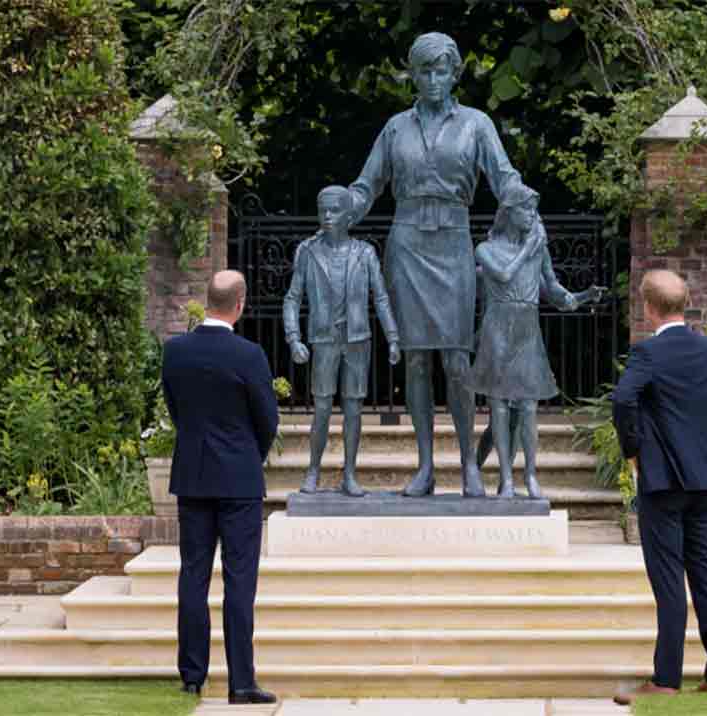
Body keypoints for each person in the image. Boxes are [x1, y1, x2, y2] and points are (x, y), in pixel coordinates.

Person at [347, 32, 523, 498]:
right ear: (413, 74)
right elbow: (368, 185)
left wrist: (525, 205)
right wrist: (345, 205)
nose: (431, 79)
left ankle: (468, 463)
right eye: (423, 70)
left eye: (440, 70)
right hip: (406, 246)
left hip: (453, 243)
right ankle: (425, 467)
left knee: (457, 360)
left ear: (454, 73)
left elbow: (504, 178)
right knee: (417, 361)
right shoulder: (395, 128)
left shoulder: (476, 125)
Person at [610, 270, 707, 705]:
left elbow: (623, 400)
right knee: (705, 572)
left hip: (662, 484)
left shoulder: (648, 354)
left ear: (648, 308)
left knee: (668, 579)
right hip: (704, 482)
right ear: (685, 303)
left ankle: (665, 678)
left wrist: (633, 450)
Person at [161, 270, 279, 705]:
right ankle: (241, 682)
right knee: (239, 579)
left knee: (193, 575)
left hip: (193, 475)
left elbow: (176, 410)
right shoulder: (249, 355)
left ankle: (192, 674)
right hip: (239, 480)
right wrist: (250, 454)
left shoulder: (175, 351)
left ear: (206, 300)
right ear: (240, 304)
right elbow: (267, 419)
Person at [468, 184, 604, 498]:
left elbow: (553, 289)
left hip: (527, 329)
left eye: (534, 210)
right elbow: (502, 276)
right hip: (497, 328)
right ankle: (506, 480)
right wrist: (528, 251)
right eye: (526, 209)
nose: (532, 215)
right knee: (499, 407)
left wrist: (582, 297)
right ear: (509, 212)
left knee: (528, 407)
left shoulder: (536, 248)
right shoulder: (485, 249)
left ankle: (530, 475)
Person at [282, 185, 401, 496]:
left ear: (350, 215)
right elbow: (292, 299)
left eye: (335, 210)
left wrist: (393, 337)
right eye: (323, 210)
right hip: (323, 340)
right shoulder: (308, 251)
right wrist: (293, 338)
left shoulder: (365, 253)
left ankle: (349, 473)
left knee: (354, 410)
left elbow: (382, 298)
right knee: (321, 409)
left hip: (357, 339)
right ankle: (313, 471)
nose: (328, 216)